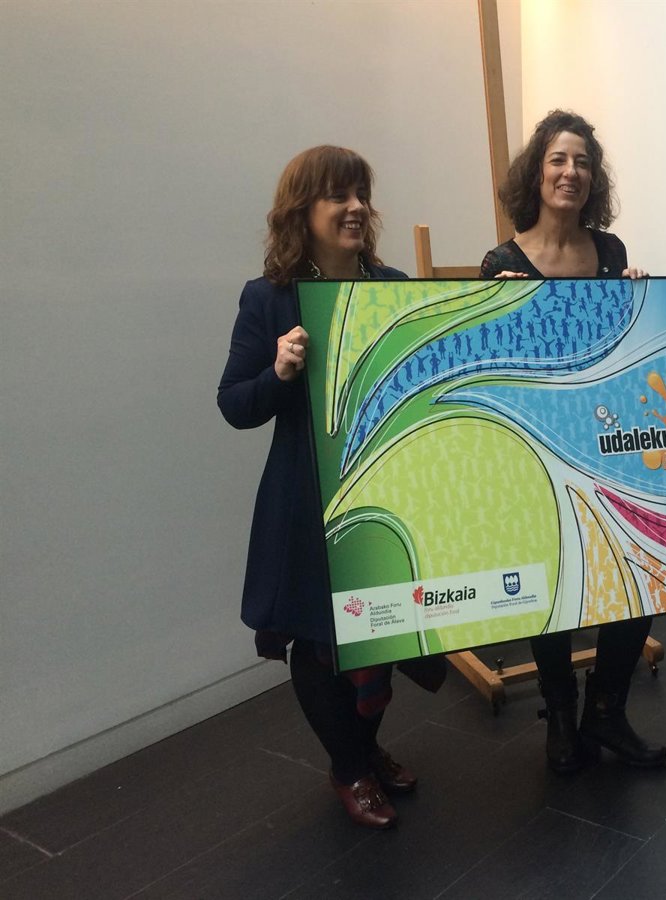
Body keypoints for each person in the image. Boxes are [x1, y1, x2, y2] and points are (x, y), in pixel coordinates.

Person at [218, 146, 417, 828]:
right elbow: (234, 404)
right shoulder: (269, 297)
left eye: (362, 194)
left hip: (382, 494)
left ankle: (363, 745)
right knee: (318, 638)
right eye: (339, 195)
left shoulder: (391, 286)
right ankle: (350, 766)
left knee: (383, 631)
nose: (356, 207)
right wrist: (277, 373)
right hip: (305, 501)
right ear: (302, 211)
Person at [479, 110, 666, 773]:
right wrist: (495, 311)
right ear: (536, 172)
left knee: (637, 575)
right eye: (559, 159)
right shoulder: (502, 262)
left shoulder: (610, 253)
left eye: (583, 162)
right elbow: (490, 369)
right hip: (536, 450)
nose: (572, 172)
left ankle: (607, 712)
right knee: (552, 586)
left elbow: (620, 351)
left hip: (606, 444)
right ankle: (560, 715)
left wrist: (639, 303)